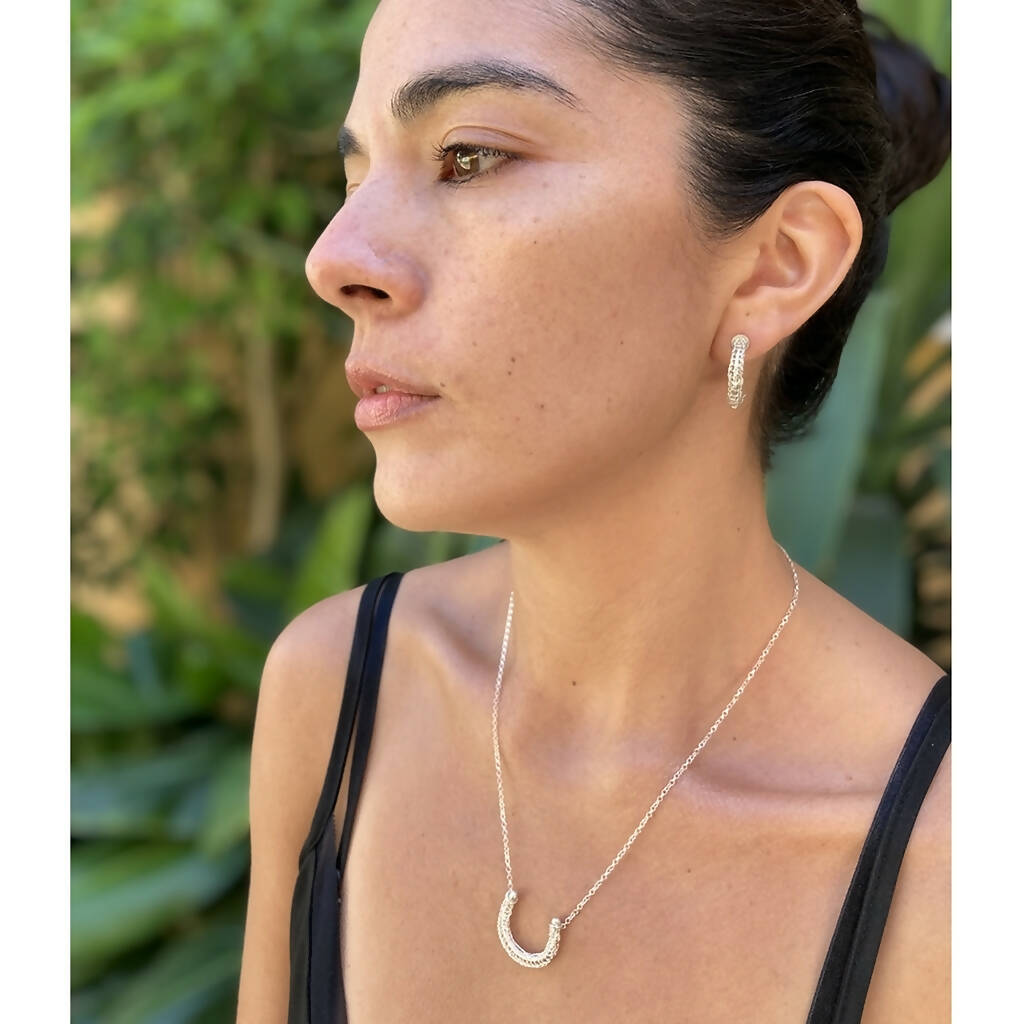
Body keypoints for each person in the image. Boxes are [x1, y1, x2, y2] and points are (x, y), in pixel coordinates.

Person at [237, 0, 951, 1020]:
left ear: (775, 264)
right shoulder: (338, 692)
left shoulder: (952, 864)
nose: (335, 259)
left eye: (470, 157)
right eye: (355, 177)